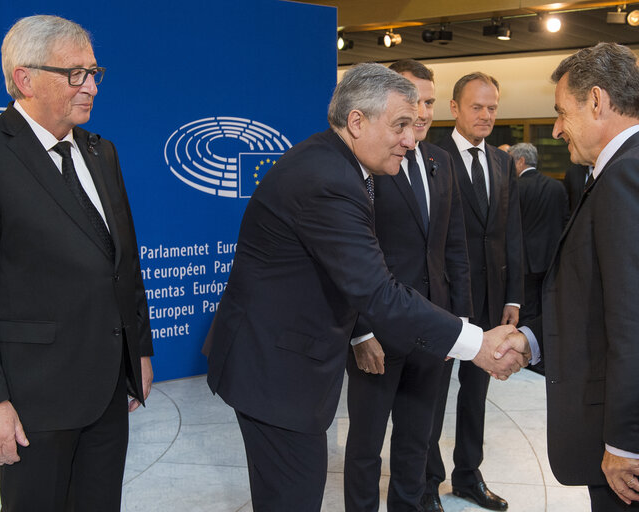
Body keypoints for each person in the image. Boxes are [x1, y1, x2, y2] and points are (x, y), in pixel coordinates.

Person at [202, 63, 529, 512]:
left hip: (284, 365)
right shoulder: (328, 180)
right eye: (399, 125)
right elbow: (378, 291)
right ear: (357, 121)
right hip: (274, 372)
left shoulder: (339, 164)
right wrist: (475, 342)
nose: (412, 139)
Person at [0, 15, 153, 511]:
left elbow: (123, 263)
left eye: (94, 73)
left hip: (108, 390)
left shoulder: (100, 151)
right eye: (75, 74)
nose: (91, 86)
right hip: (32, 401)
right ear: (25, 78)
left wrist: (140, 351)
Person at [502, 42, 639, 511]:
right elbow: (602, 301)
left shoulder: (634, 174)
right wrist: (533, 340)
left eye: (560, 112)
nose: (555, 129)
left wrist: (625, 443)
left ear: (596, 101)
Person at [342, 59, 473, 512]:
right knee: (365, 445)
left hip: (432, 329)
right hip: (378, 331)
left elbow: (453, 247)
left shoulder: (440, 161)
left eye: (429, 102)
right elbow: (350, 260)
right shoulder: (368, 164)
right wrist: (360, 332)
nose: (422, 111)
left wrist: (459, 321)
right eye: (412, 100)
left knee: (418, 440)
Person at [424, 72, 524, 512]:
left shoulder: (503, 162)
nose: (486, 115)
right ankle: (426, 484)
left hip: (491, 300)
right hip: (442, 302)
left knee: (476, 395)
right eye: (477, 107)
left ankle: (468, 475)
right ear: (455, 109)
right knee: (430, 396)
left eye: (492, 107)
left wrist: (514, 297)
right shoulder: (430, 155)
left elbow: (511, 233)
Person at [509, 143, 567, 327]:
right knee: (548, 308)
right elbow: (565, 221)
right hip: (551, 259)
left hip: (524, 261)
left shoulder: (514, 188)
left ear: (521, 161)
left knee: (526, 311)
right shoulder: (556, 186)